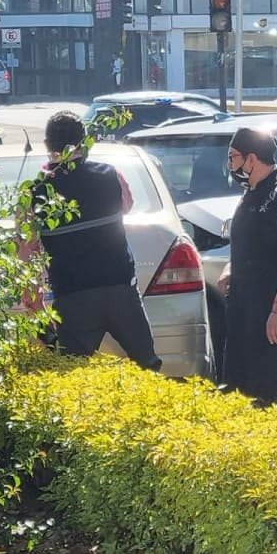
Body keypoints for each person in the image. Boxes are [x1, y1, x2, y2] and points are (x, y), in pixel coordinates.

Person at [26, 110, 161, 371]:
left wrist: (36, 303)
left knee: (72, 374)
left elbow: (26, 252)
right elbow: (127, 206)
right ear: (84, 142)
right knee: (148, 366)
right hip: (121, 290)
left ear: (47, 146)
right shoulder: (111, 175)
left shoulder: (36, 192)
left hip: (72, 296)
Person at [219, 127, 277, 420]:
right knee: (241, 386)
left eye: (233, 157)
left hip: (276, 311)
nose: (230, 164)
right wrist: (230, 268)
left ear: (251, 159)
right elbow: (247, 242)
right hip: (246, 306)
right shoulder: (251, 191)